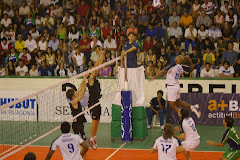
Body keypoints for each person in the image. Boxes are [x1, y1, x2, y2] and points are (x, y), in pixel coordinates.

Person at [87, 48, 105, 150]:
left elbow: (98, 66)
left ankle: (94, 137)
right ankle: (91, 138)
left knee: (97, 120)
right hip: (92, 103)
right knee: (94, 121)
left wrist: (101, 55)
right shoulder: (90, 80)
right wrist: (98, 56)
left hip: (97, 102)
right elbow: (95, 67)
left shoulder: (95, 78)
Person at [66, 74, 88, 141]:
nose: (76, 92)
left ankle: (82, 137)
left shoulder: (74, 98)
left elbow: (80, 87)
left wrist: (84, 78)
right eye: (74, 92)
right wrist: (85, 80)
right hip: (76, 124)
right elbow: (83, 91)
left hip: (79, 120)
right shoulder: (74, 102)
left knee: (83, 136)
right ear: (73, 96)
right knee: (78, 139)